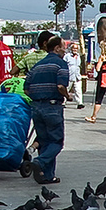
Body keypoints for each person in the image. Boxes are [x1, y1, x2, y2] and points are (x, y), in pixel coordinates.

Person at [24, 31, 70, 183]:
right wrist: (67, 95)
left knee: (44, 141)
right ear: (56, 48)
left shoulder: (37, 66)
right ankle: (40, 162)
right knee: (56, 141)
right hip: (52, 106)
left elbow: (26, 88)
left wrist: (37, 98)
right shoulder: (60, 64)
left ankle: (47, 176)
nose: (65, 50)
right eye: (63, 47)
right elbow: (61, 85)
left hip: (36, 107)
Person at [64, 42, 83, 109]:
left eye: (76, 48)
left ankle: (80, 103)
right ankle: (63, 102)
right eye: (74, 48)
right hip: (69, 76)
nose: (75, 49)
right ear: (71, 49)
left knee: (78, 90)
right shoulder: (67, 56)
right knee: (66, 90)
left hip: (77, 76)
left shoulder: (78, 56)